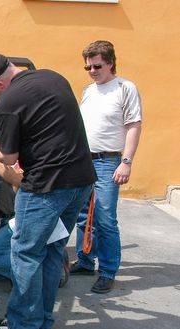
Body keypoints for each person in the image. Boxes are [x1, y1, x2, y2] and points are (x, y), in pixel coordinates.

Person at [0, 53, 96, 329]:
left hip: (45, 188)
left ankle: (22, 327)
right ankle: (42, 323)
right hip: (81, 182)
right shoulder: (54, 77)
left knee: (25, 255)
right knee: (51, 251)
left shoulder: (8, 103)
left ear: (0, 82)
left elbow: (9, 157)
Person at [72, 40, 142, 294]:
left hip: (107, 161)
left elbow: (134, 125)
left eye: (97, 65)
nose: (92, 70)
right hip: (83, 159)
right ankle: (85, 260)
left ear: (110, 62)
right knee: (82, 215)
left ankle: (108, 270)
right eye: (88, 67)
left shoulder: (125, 88)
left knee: (104, 219)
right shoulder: (89, 91)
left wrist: (126, 161)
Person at [0, 152, 70, 287]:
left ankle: (51, 269)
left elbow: (17, 180)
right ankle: (49, 260)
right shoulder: (11, 148)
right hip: (7, 217)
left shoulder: (35, 153)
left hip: (24, 218)